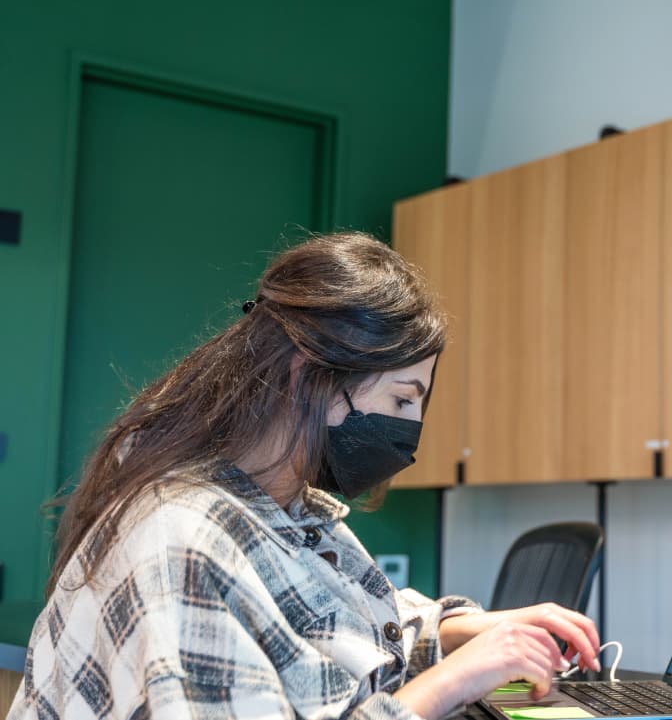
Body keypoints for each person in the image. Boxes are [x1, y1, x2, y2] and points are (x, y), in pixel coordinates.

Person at [10, 233, 601, 720]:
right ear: (306, 374)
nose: (412, 428)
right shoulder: (184, 539)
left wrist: (466, 630)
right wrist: (450, 683)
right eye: (401, 400)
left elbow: (341, 625)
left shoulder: (286, 507)